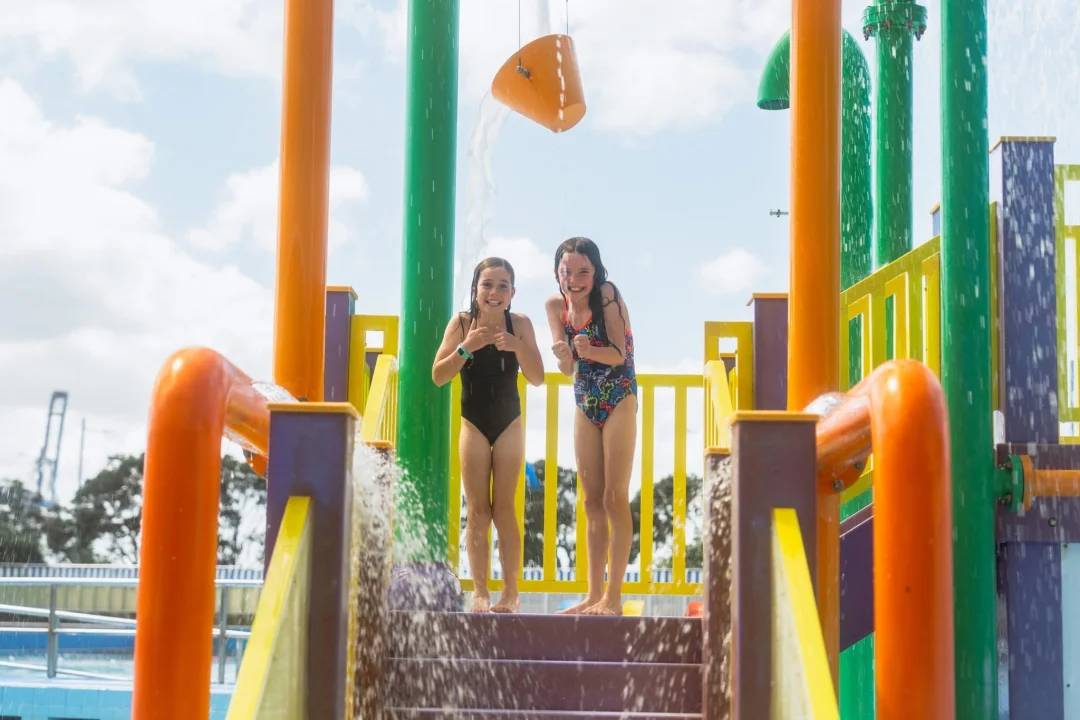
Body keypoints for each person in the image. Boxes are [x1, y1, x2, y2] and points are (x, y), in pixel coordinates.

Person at [432, 257, 544, 612]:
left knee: (504, 509)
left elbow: (538, 377)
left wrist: (517, 346)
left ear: (512, 293)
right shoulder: (462, 323)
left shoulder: (520, 324)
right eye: (488, 285)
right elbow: (438, 375)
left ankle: (511, 593)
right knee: (478, 510)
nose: (494, 292)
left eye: (502, 286)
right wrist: (467, 347)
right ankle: (480, 592)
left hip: (509, 423)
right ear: (475, 289)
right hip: (473, 424)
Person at [544, 237, 637, 616]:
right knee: (590, 500)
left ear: (595, 272)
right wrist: (564, 356)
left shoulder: (607, 295)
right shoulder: (555, 306)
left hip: (619, 396)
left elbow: (618, 354)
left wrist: (587, 350)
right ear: (557, 273)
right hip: (585, 399)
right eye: (566, 271)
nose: (574, 279)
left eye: (583, 271)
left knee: (615, 496)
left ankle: (613, 597)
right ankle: (593, 594)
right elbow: (568, 369)